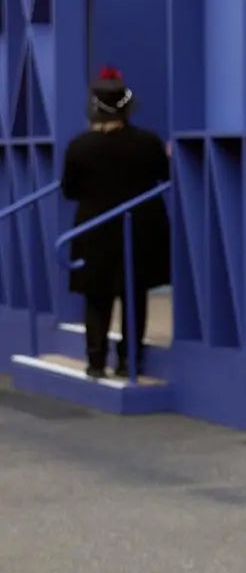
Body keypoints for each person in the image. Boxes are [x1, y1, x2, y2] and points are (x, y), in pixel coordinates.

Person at [61, 68, 170, 379]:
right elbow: (165, 176)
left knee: (96, 296)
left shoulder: (79, 146)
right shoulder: (148, 142)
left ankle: (96, 362)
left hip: (94, 228)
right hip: (140, 227)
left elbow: (70, 190)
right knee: (134, 295)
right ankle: (129, 361)